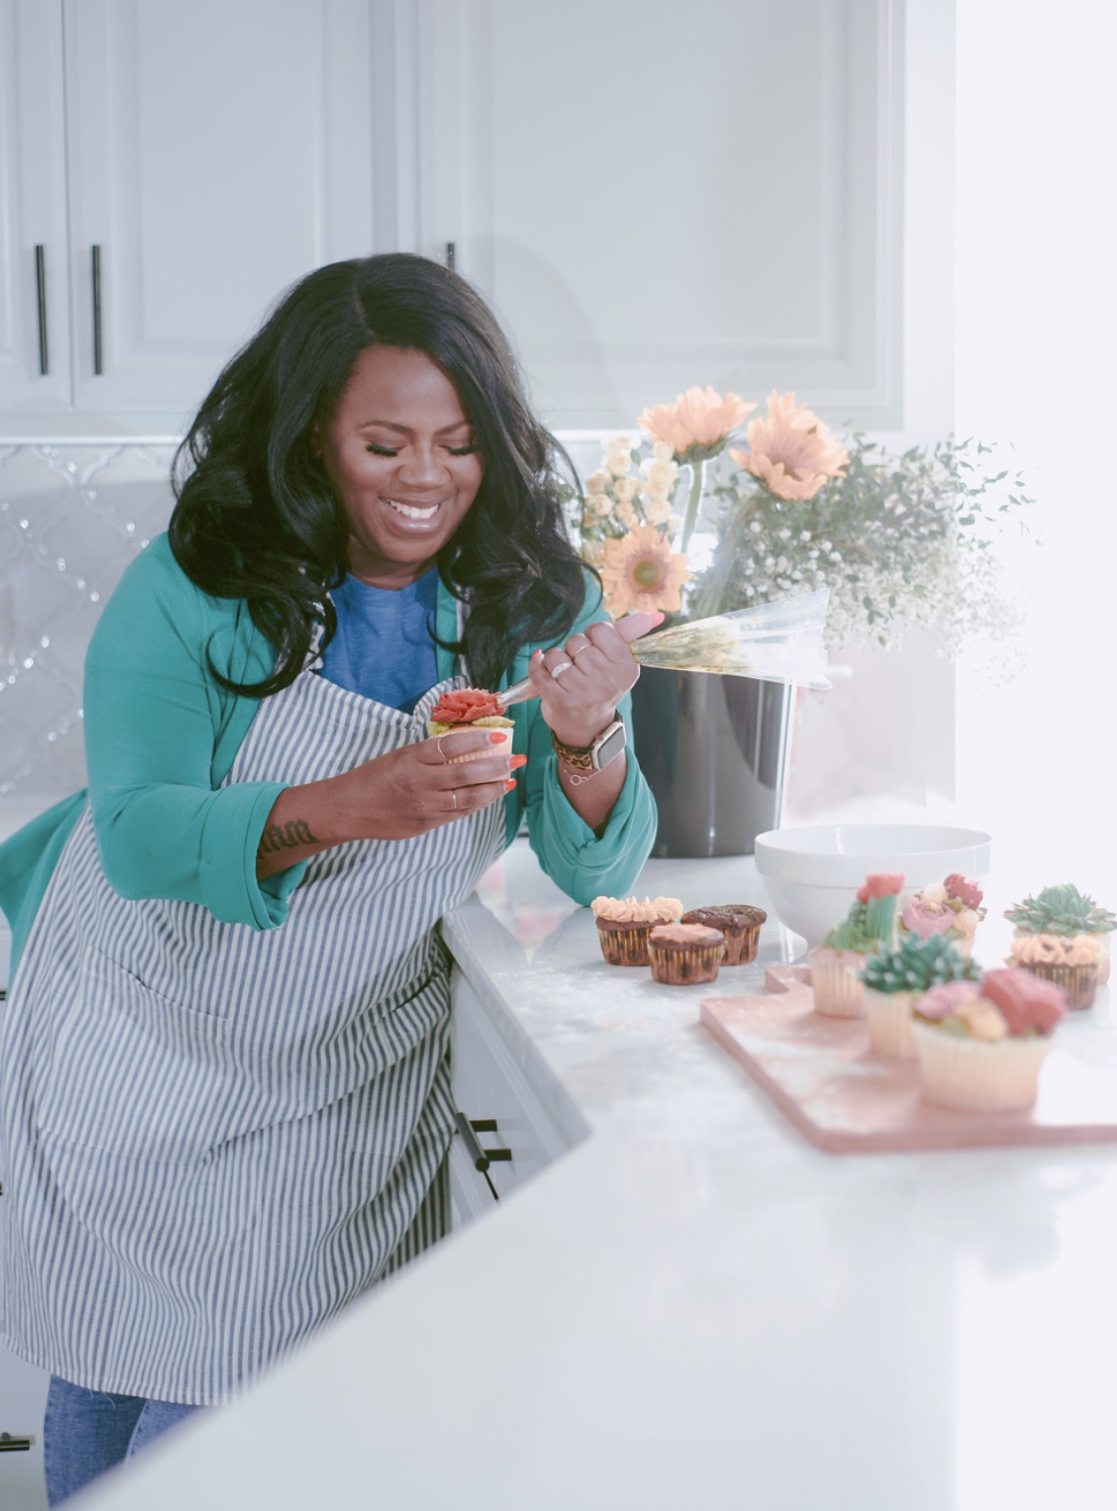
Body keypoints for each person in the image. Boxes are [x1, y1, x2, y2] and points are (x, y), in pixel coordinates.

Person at [0, 253, 657, 1503]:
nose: (426, 479)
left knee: (238, 1416)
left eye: (460, 444)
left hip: (337, 1061)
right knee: (104, 1362)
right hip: (126, 1029)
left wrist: (586, 737)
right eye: (384, 442)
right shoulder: (191, 583)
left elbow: (598, 864)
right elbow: (138, 835)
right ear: (310, 435)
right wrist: (360, 802)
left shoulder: (530, 599)